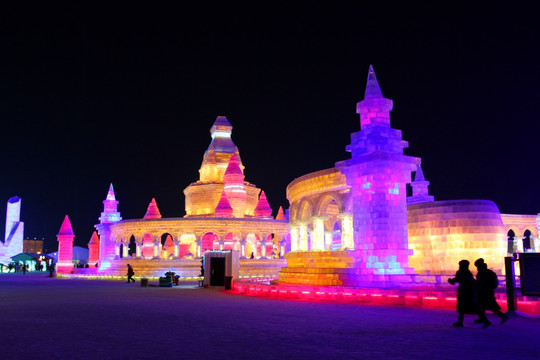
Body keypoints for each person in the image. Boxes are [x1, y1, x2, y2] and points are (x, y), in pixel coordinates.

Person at [448, 259, 490, 328]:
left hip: (464, 292)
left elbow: (457, 280)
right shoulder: (467, 272)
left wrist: (451, 281)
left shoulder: (461, 272)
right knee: (469, 307)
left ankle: (485, 321)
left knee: (464, 307)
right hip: (469, 292)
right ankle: (461, 321)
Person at [474, 258, 509, 325]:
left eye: (477, 266)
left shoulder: (483, 272)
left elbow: (482, 282)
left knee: (489, 306)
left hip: (485, 292)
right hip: (486, 291)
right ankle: (482, 318)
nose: (476, 268)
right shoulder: (486, 271)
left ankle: (503, 316)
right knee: (483, 305)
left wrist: (477, 284)